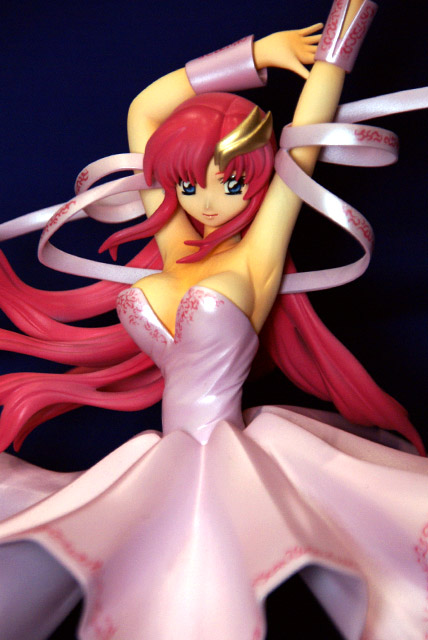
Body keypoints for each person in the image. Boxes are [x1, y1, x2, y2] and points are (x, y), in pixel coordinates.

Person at [0, 1, 427, 638]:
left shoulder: (258, 255)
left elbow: (308, 133)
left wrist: (344, 31)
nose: (205, 201)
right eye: (188, 184)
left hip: (230, 459)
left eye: (229, 183)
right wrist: (253, 56)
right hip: (165, 456)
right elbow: (144, 110)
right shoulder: (176, 243)